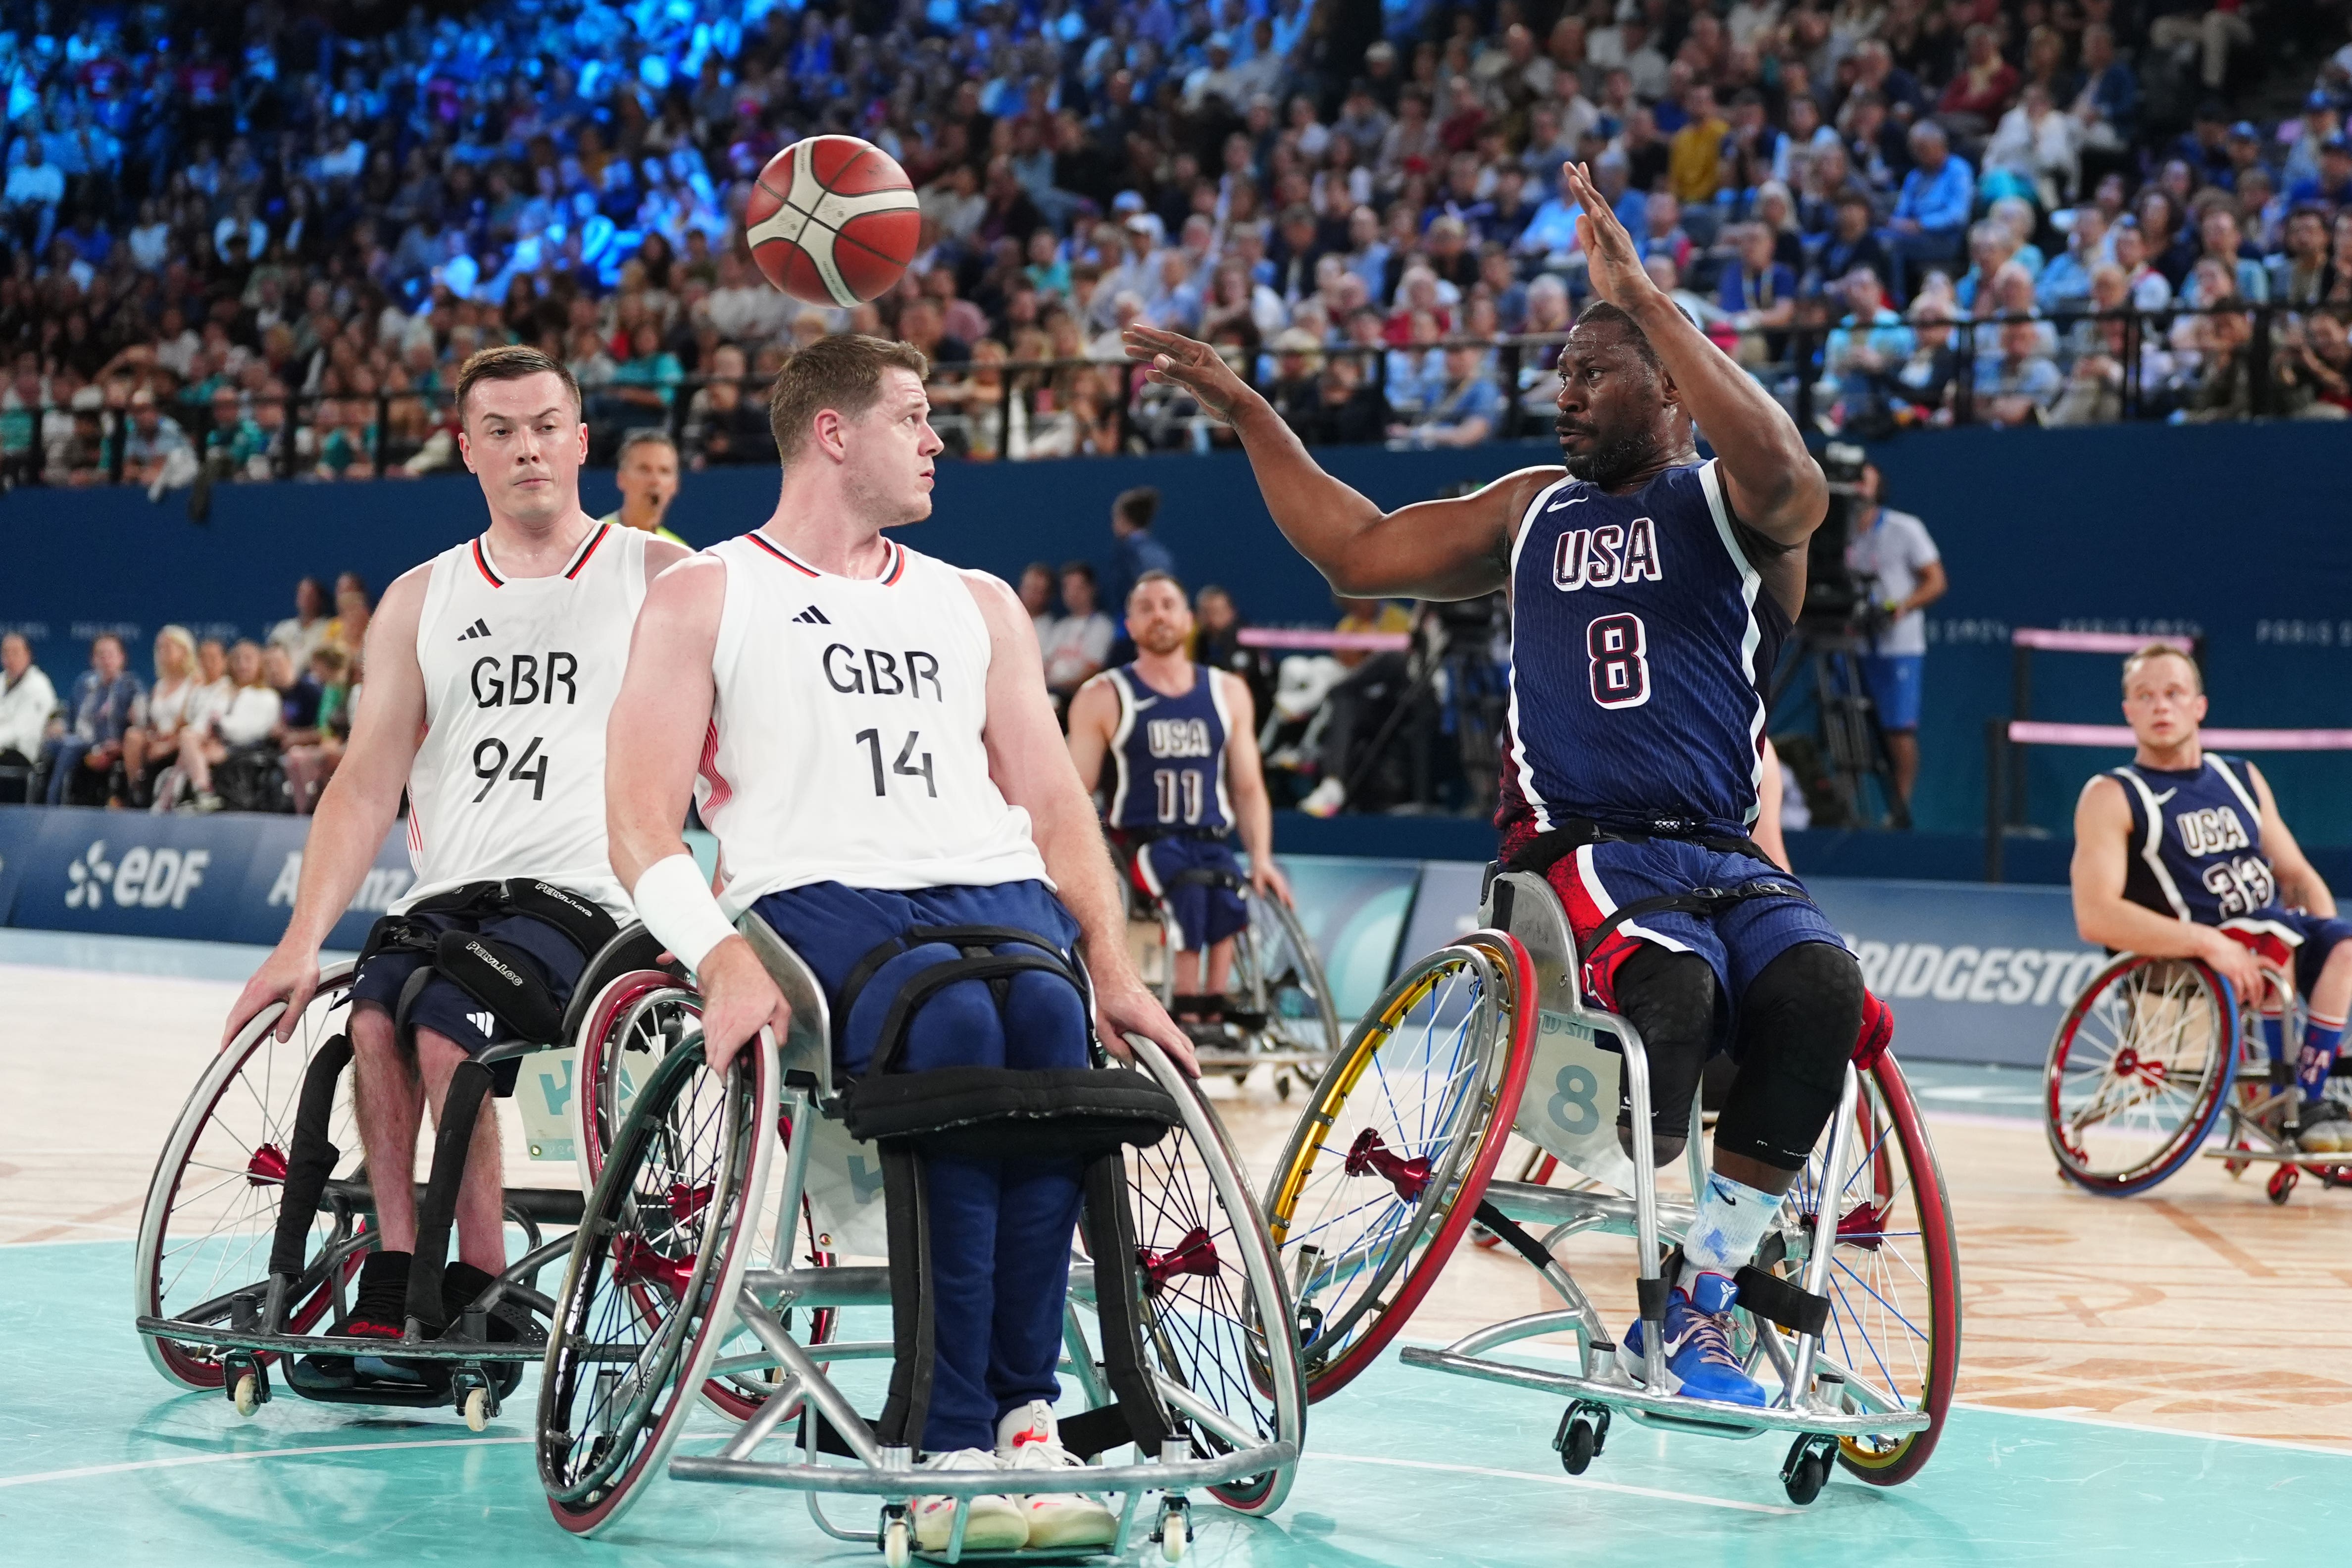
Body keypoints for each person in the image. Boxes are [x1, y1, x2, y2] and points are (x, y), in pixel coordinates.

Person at [1126, 159, 1875, 1410]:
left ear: (1669, 387)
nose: (1563, 394)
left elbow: (1793, 475)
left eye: (1591, 371)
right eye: (1562, 374)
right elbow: (1356, 548)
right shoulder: (1530, 509)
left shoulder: (1738, 513)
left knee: (1821, 990)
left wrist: (1641, 293)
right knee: (1677, 995)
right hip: (1572, 848)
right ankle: (1667, 1243)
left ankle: (1701, 1292)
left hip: (1718, 849)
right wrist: (1245, 405)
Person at [603, 332, 1193, 1555]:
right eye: (914, 416)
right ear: (833, 433)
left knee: (1045, 1028)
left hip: (989, 883)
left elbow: (1050, 799)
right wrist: (715, 955)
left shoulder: (972, 600)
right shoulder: (706, 591)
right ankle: (943, 1434)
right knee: (957, 1028)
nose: (936, 440)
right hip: (814, 890)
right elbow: (635, 821)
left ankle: (1026, 1416)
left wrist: (1117, 963)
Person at [221, 346, 689, 1377]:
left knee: (443, 1026)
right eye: (501, 430)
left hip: (592, 900)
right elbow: (360, 783)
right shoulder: (419, 597)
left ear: (579, 439)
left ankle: (482, 1280)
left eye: (545, 425)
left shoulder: (657, 576)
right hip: (451, 897)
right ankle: (396, 1267)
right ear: (465, 446)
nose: (527, 448)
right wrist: (300, 940)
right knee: (376, 1015)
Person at [2071, 645, 2352, 1153]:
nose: (2160, 706)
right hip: (2187, 958)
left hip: (2266, 934)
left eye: (2173, 693)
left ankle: (2307, 1090)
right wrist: (2206, 941)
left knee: (2341, 943)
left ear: (2198, 706)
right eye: (2144, 696)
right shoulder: (2111, 794)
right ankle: (2284, 1100)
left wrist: (2331, 953)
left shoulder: (2239, 777)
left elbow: (2298, 876)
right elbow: (2094, 916)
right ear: (2126, 712)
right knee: (2275, 937)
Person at [1066, 571, 1291, 1015]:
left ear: (1188, 620)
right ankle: (1185, 1008)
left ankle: (1217, 1005)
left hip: (1209, 837)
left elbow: (1247, 787)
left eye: (1168, 605)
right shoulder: (1105, 694)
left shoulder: (1228, 691)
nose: (1159, 616)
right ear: (1129, 626)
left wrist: (1262, 858)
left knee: (1229, 889)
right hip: (1142, 842)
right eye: (1145, 608)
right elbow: (1074, 789)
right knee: (1186, 890)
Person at [1842, 463, 1946, 808]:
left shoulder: (1905, 528)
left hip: (1898, 646)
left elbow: (1935, 581)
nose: (1856, 488)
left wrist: (1899, 607)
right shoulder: (1838, 531)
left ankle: (1899, 810)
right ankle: (1846, 809)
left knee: (1897, 729)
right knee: (1849, 728)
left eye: (1863, 480)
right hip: (1853, 643)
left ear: (1878, 487)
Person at [36, 633, 142, 806]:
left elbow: (139, 723)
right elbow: (70, 717)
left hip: (106, 745)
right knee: (50, 744)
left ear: (122, 658)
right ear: (93, 659)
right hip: (77, 740)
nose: (106, 660)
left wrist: (119, 745)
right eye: (101, 655)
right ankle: (36, 803)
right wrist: (59, 726)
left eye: (111, 655)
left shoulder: (131, 686)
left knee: (71, 745)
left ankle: (52, 803)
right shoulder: (84, 683)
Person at [1038, 560, 1114, 706]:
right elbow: (1045, 665)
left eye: (1079, 588)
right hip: (1048, 695)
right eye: (1068, 588)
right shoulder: (1060, 627)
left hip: (1077, 698)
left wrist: (1056, 688)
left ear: (1092, 589)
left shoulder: (1102, 625)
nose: (1073, 594)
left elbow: (1093, 673)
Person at [600, 427, 688, 544]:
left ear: (675, 484)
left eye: (664, 471)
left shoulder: (679, 551)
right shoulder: (598, 540)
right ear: (621, 478)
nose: (655, 480)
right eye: (644, 469)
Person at [0, 632, 58, 800]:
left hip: (23, 754)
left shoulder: (38, 686)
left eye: (15, 652)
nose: (9, 658)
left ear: (28, 655)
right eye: (5, 652)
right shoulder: (3, 680)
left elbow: (20, 732)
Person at [1104, 485, 1176, 612]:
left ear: (1124, 519)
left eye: (1115, 518)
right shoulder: (1161, 554)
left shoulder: (1128, 554)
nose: (1113, 524)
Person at [268, 577, 333, 669]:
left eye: (311, 595)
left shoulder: (328, 627)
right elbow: (272, 654)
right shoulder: (284, 628)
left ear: (319, 600)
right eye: (302, 594)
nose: (306, 599)